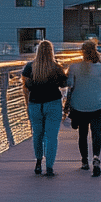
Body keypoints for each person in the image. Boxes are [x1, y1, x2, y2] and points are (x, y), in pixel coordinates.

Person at [21, 40, 66, 177]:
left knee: (37, 134)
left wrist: (27, 104)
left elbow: (25, 86)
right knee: (51, 137)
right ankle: (50, 166)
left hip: (35, 103)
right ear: (51, 52)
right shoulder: (56, 67)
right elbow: (64, 83)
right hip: (53, 103)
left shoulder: (30, 67)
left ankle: (38, 162)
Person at [66, 39, 101, 177]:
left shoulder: (74, 67)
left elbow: (69, 85)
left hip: (79, 105)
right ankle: (96, 157)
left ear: (82, 52)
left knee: (82, 134)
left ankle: (84, 161)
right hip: (97, 104)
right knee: (97, 133)